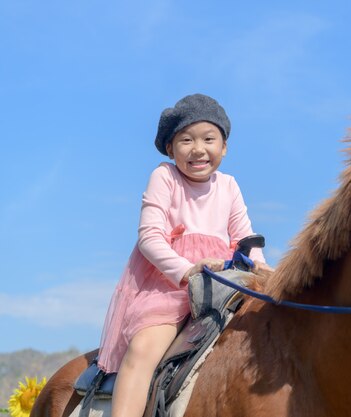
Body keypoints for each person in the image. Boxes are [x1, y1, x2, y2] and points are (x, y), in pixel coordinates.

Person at [97, 94, 271, 417]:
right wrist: (188, 269)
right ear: (170, 148)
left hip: (221, 287)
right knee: (144, 350)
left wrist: (260, 266)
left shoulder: (229, 186)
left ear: (224, 147)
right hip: (169, 286)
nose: (198, 149)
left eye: (209, 139)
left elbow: (245, 237)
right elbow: (149, 237)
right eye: (186, 140)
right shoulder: (165, 178)